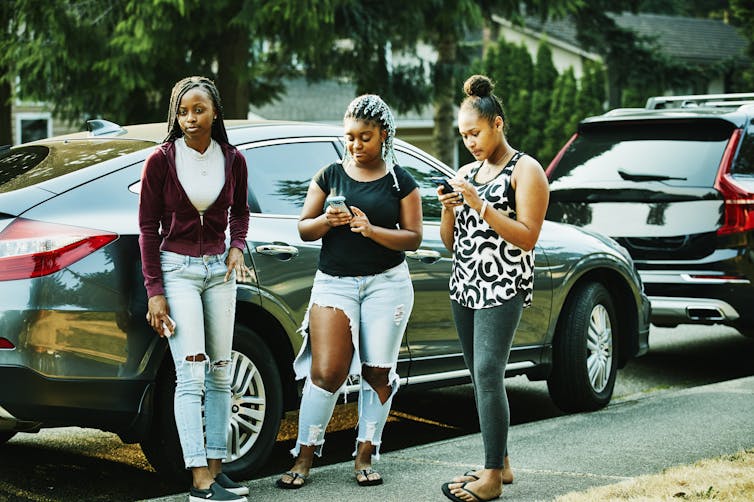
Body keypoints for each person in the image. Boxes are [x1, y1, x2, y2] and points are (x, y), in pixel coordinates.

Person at [276, 94, 422, 489]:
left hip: (387, 285)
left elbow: (413, 238)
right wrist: (327, 219)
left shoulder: (400, 181)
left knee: (377, 371)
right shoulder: (329, 175)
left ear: (384, 136)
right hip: (335, 282)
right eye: (350, 137)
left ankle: (364, 454)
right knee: (327, 371)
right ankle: (303, 456)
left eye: (365, 137)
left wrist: (371, 230)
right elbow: (304, 228)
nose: (356, 146)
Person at [138, 76, 251, 502]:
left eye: (198, 110)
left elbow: (240, 212)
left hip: (219, 271)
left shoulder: (233, 159)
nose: (190, 118)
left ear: (215, 113)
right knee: (192, 376)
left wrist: (237, 246)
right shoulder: (162, 160)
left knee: (222, 372)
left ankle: (218, 469)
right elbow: (148, 229)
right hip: (178, 271)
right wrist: (155, 290)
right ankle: (199, 479)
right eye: (183, 111)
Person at [438, 75, 549, 502]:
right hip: (464, 283)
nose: (470, 142)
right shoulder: (467, 172)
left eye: (476, 132)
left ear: (497, 123)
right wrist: (450, 209)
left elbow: (527, 236)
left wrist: (479, 204)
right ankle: (500, 461)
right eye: (464, 135)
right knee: (479, 376)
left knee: (488, 372)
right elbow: (453, 242)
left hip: (503, 283)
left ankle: (490, 477)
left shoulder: (526, 169)